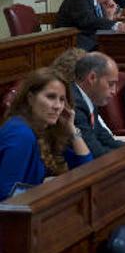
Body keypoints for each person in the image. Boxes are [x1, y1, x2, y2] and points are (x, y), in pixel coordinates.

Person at [0, 68, 92, 200]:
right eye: (51, 97)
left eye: (62, 100)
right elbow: (5, 195)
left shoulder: (46, 129)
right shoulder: (20, 134)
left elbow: (87, 171)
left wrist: (72, 130)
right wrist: (48, 190)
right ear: (30, 98)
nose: (58, 106)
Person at [73, 52, 125, 158]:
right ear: (92, 78)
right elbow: (95, 152)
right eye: (111, 84)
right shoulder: (75, 104)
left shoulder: (89, 98)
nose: (114, 91)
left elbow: (106, 139)